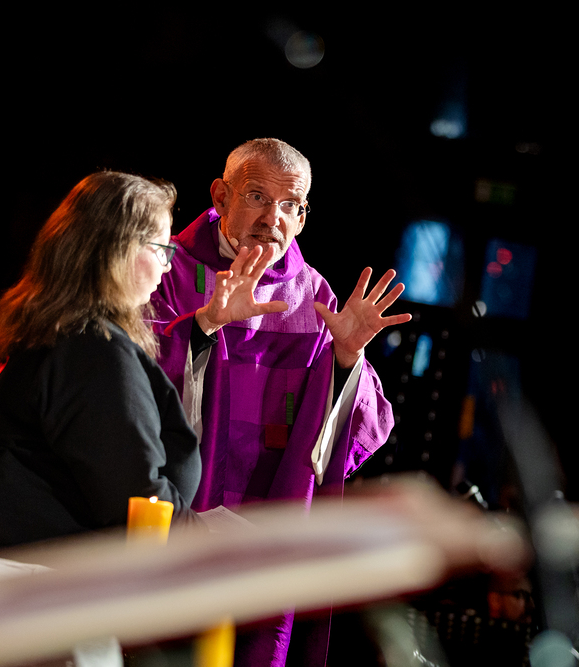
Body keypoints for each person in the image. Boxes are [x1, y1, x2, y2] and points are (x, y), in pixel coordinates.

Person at [150, 138, 410, 666]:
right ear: (220, 196)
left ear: (304, 216)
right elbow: (122, 377)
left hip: (266, 519)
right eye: (257, 197)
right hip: (176, 510)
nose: (274, 218)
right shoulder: (165, 268)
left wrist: (346, 359)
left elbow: (365, 424)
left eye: (291, 205)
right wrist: (202, 326)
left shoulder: (313, 295)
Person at [0, 172, 202, 552]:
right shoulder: (94, 351)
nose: (167, 267)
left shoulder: (33, 321)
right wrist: (205, 542)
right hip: (25, 568)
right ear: (120, 250)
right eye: (162, 249)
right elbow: (136, 499)